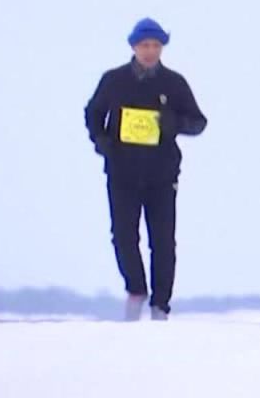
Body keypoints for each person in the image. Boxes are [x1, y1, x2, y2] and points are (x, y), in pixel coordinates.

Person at [83, 18, 208, 321]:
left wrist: (174, 124)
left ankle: (160, 306)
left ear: (162, 47)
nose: (150, 51)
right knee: (123, 236)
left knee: (163, 240)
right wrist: (102, 141)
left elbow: (199, 122)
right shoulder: (114, 80)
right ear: (133, 47)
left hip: (162, 175)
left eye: (155, 45)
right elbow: (93, 113)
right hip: (122, 172)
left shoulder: (173, 83)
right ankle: (136, 290)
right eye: (144, 45)